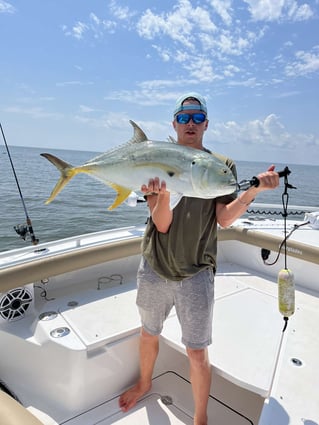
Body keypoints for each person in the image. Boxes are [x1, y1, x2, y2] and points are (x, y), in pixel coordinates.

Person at [119, 92, 279, 425]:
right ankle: (145, 382)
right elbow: (161, 224)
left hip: (197, 271)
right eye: (183, 117)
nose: (190, 124)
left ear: (206, 123)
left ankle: (200, 418)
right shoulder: (159, 158)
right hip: (156, 266)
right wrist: (162, 196)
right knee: (149, 333)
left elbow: (223, 219)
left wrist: (252, 192)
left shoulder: (222, 166)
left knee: (196, 350)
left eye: (196, 118)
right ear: (174, 123)